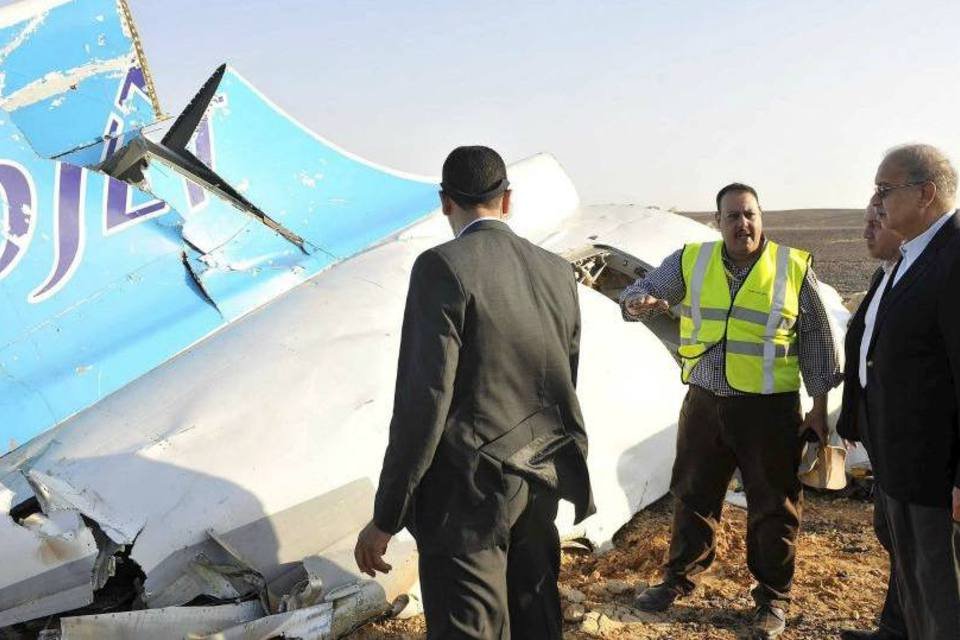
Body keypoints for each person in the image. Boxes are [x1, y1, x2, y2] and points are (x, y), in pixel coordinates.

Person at [354, 146, 593, 640]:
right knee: (537, 623)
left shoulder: (442, 267)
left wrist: (387, 516)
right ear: (508, 199)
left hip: (469, 497)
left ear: (445, 202)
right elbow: (564, 374)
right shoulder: (556, 271)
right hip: (540, 478)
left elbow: (424, 402)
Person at [621, 183, 842, 639]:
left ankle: (772, 599)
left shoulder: (792, 267)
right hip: (704, 404)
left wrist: (819, 409)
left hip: (769, 411)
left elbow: (818, 343)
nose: (743, 224)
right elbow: (643, 291)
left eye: (750, 215)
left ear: (762, 217)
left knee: (773, 504)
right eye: (733, 217)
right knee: (693, 494)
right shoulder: (691, 261)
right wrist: (636, 302)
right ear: (718, 222)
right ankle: (678, 579)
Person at [853, 144, 960, 639]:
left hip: (936, 479)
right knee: (917, 593)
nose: (877, 202)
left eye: (885, 189)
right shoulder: (915, 259)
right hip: (904, 468)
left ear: (926, 194)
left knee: (942, 604)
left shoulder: (952, 260)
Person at [836, 204, 906, 640]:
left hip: (913, 436)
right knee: (893, 535)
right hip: (884, 433)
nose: (866, 231)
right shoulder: (885, 276)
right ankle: (896, 629)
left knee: (920, 546)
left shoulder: (929, 278)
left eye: (875, 222)